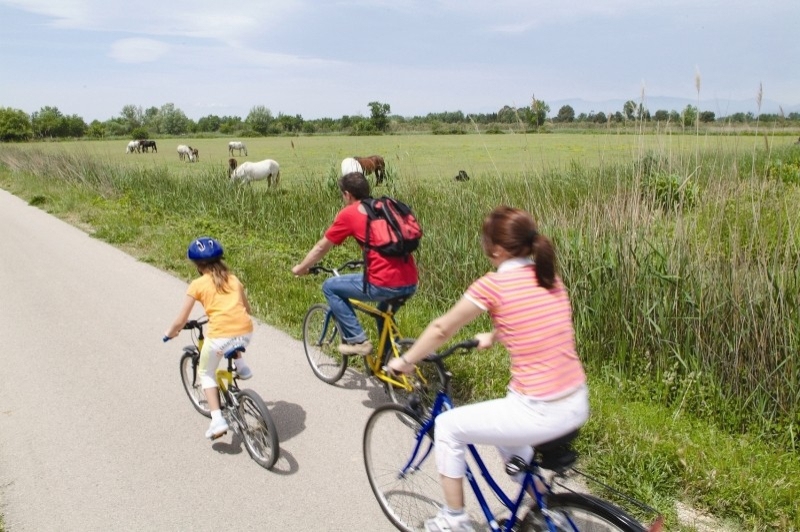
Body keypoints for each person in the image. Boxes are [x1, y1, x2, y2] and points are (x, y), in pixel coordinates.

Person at [387, 206, 589, 532]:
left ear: (494, 248)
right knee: (508, 435)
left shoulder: (494, 285)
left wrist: (406, 361)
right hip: (576, 401)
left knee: (449, 427)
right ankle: (544, 507)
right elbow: (534, 320)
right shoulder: (550, 278)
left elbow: (441, 329)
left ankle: (454, 521)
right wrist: (494, 335)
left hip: (539, 410)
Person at [291, 171, 418, 355]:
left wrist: (301, 268)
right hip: (410, 282)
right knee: (383, 313)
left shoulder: (349, 213)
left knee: (330, 287)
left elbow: (321, 247)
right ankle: (391, 364)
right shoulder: (383, 208)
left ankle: (358, 340)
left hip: (383, 283)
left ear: (347, 194)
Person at [164, 236, 254, 439]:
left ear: (197, 265)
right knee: (234, 335)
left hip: (220, 337)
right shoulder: (233, 279)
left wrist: (171, 332)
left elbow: (181, 319)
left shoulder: (197, 284)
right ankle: (242, 366)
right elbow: (247, 309)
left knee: (206, 372)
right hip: (245, 331)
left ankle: (217, 420)